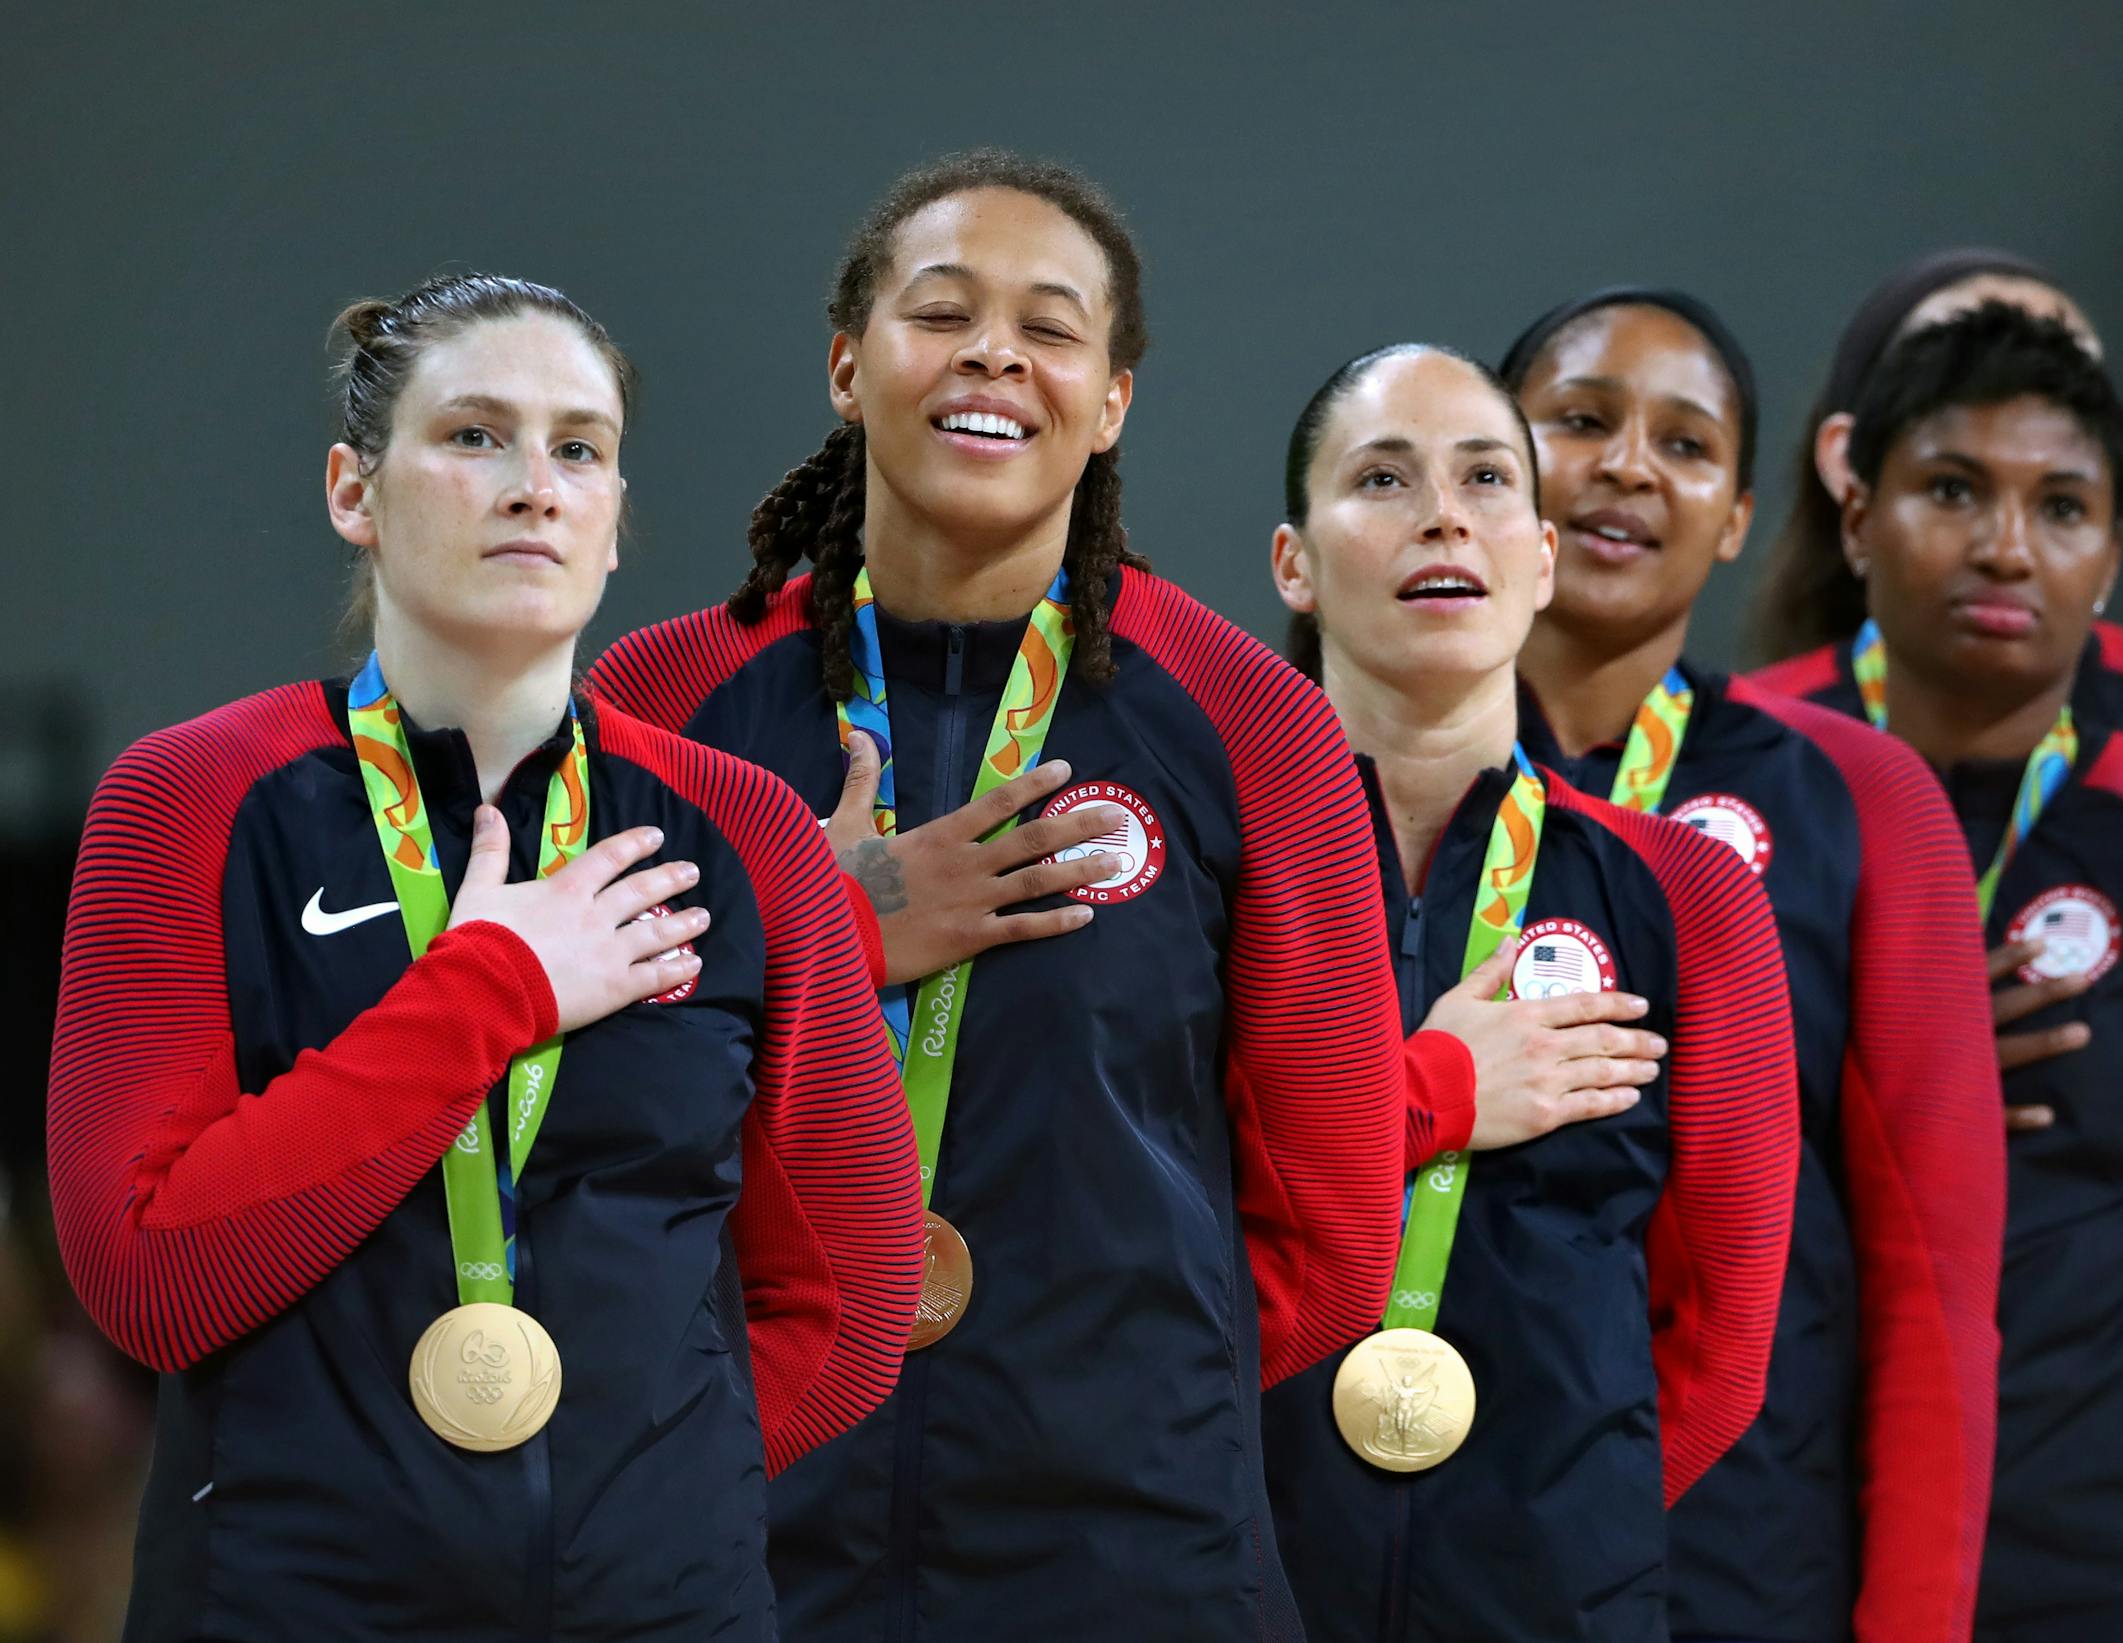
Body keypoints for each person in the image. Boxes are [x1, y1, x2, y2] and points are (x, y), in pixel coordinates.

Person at [589, 150, 1430, 1643]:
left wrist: (1117, 1388)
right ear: (850, 367)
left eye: (1051, 327)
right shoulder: (662, 699)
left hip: (1131, 1548)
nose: (995, 353)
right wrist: (829, 928)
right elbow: (583, 1113)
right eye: (944, 312)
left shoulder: (1251, 722)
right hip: (743, 1525)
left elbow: (1334, 1218)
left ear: (1110, 402)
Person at [46, 273, 923, 1639]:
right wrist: (496, 984)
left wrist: (655, 1484)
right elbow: (149, 1272)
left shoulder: (743, 829)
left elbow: (857, 1290)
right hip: (285, 1601)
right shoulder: (191, 799)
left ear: (617, 520)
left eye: (579, 447)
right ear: (354, 489)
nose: (535, 483)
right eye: (473, 436)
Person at [1257, 342, 1799, 1642]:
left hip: (1558, 1590)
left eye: (1488, 477)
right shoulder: (1214, 879)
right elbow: (1143, 1232)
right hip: (1228, 1576)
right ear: (1295, 563)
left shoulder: (1687, 895)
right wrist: (1435, 1092)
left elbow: (1718, 1336)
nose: (1444, 511)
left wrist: (1565, 1525)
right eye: (1383, 476)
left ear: (1542, 557)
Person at [1497, 288, 2004, 1642]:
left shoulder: (1859, 795)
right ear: (1490, 461)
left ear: (1731, 517)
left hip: (1738, 1556)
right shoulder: (1330, 773)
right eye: (1582, 420)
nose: (1628, 466)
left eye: (1687, 444)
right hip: (1406, 1513)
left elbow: (1931, 1280)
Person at [1750, 300, 2123, 1641]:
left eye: (2062, 508)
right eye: (1952, 490)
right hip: (1767, 1518)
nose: (2004, 547)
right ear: (1856, 516)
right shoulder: (1722, 776)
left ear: (2109, 558)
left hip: (2093, 1528)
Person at [1749, 246, 2098, 665]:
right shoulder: (1757, 723)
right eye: (1952, 488)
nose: (2008, 551)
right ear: (1848, 464)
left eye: (2062, 377)